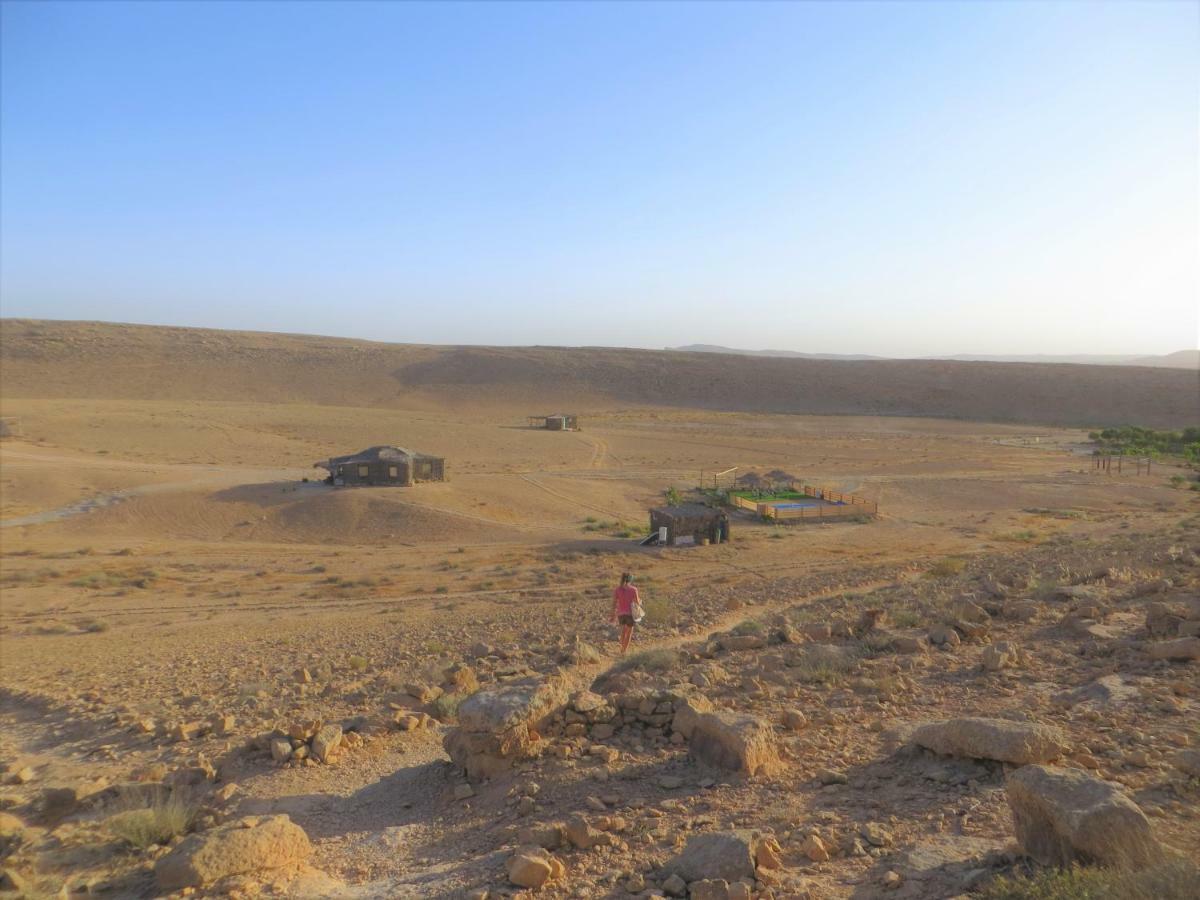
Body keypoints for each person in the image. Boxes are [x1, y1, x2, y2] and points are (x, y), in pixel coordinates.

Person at [610, 572, 640, 654]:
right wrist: (640, 602)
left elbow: (614, 603)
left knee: (623, 631)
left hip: (620, 614)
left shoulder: (617, 589)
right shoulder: (634, 589)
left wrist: (612, 615)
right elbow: (637, 602)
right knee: (629, 632)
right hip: (630, 614)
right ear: (630, 579)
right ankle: (624, 650)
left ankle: (621, 648)